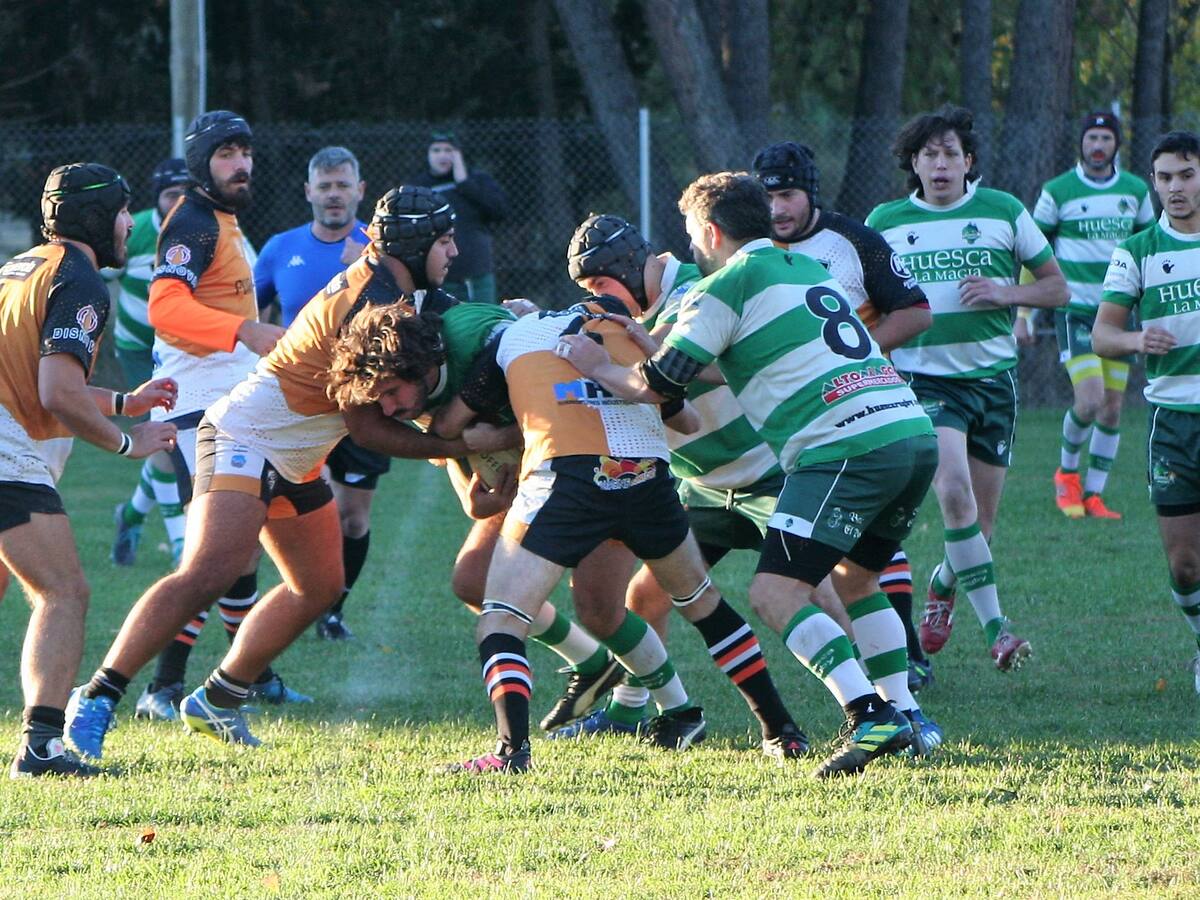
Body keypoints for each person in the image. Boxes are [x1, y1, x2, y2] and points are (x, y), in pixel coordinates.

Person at [63, 186, 504, 758]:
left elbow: (464, 328)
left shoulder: (396, 291)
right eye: (444, 240)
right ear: (415, 243)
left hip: (295, 454)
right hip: (245, 436)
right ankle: (96, 695)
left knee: (318, 587)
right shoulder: (370, 308)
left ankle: (219, 697)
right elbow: (370, 428)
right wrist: (460, 441)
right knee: (207, 573)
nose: (453, 252)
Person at [556, 173, 937, 777]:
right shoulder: (803, 268)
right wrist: (651, 339)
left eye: (691, 234)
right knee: (859, 582)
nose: (691, 248)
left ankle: (871, 716)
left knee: (775, 592)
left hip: (840, 446)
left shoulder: (720, 287)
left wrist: (599, 364)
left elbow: (656, 388)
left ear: (711, 230)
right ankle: (907, 714)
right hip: (909, 433)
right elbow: (726, 363)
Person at [430, 286, 806, 774]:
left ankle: (511, 753)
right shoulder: (628, 332)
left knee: (501, 615)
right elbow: (685, 418)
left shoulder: (511, 337)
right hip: (645, 473)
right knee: (703, 603)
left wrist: (479, 437)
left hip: (567, 478)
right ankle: (781, 730)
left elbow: (449, 424)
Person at [67, 110, 307, 742]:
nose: (243, 164)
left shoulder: (225, 223)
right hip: (202, 407)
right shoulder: (195, 221)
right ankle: (133, 689)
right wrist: (247, 330)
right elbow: (167, 307)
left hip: (242, 408)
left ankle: (225, 684)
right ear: (202, 163)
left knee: (242, 560)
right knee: (211, 564)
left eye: (247, 152)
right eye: (227, 153)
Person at [867, 105, 1068, 669]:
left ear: (968, 162)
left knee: (980, 523)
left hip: (994, 383)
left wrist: (1007, 294)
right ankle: (998, 629)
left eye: (950, 153)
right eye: (929, 154)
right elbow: (859, 295)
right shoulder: (884, 221)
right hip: (925, 382)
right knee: (953, 494)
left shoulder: (1003, 211)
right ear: (914, 162)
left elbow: (1057, 291)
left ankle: (941, 585)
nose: (940, 164)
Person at [3, 163, 177, 777]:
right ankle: (43, 746)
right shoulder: (79, 280)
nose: (131, 224)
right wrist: (128, 442)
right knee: (64, 591)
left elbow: (42, 378)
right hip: (7, 453)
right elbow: (55, 391)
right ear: (97, 217)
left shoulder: (21, 268)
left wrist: (127, 402)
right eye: (124, 212)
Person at [752, 141, 937, 695]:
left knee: (860, 559)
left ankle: (898, 662)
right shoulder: (754, 252)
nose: (777, 210)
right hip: (796, 423)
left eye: (787, 195)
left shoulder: (855, 241)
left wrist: (862, 353)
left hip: (863, 416)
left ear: (810, 191)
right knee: (848, 561)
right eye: (767, 199)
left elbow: (917, 312)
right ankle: (889, 679)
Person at [254, 145, 376, 640]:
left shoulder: (378, 246)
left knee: (352, 518)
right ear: (308, 192)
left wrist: (364, 267)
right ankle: (306, 597)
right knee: (309, 507)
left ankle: (332, 609)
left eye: (342, 185)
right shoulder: (280, 248)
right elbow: (251, 316)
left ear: (359, 191)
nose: (333, 195)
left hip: (364, 401)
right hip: (300, 402)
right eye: (324, 186)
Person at [1093, 130, 1200, 693]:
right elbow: (1102, 336)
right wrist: (1138, 342)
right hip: (1173, 424)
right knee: (1184, 567)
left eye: (1185, 174)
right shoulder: (1137, 252)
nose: (1174, 187)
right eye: (1164, 177)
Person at [1024, 111, 1155, 521]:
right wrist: (1024, 313)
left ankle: (1095, 494)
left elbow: (1150, 249)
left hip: (1118, 316)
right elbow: (1033, 251)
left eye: (1105, 138)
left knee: (1113, 408)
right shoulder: (1057, 190)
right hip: (1076, 313)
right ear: (1080, 143)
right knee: (1091, 399)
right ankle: (1066, 474)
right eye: (1091, 137)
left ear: (1117, 144)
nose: (1097, 145)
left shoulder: (1134, 190)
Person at [110, 158, 191, 567]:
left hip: (180, 351)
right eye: (169, 195)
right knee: (164, 438)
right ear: (155, 199)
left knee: (164, 439)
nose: (178, 203)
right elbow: (97, 276)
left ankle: (130, 515)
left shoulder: (202, 228)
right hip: (139, 350)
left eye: (184, 194)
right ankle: (180, 543)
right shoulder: (134, 230)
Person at [410, 130, 507, 303]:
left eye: (448, 150)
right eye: (436, 150)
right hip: (441, 275)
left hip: (477, 271)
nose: (443, 156)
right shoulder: (419, 186)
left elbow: (498, 211)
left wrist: (464, 183)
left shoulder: (478, 180)